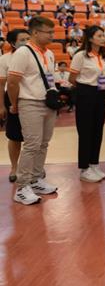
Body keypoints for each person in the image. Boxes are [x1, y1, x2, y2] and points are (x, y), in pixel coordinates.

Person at [7, 16, 58, 205]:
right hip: (29, 103)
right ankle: (22, 187)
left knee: (43, 144)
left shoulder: (50, 53)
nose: (52, 35)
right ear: (35, 32)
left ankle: (36, 179)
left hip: (47, 104)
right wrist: (15, 104)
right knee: (31, 145)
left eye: (53, 31)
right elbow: (12, 82)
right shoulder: (23, 53)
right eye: (49, 32)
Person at [69, 26, 105, 183]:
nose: (102, 38)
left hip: (100, 93)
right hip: (86, 93)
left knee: (97, 130)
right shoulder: (81, 56)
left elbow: (102, 77)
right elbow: (72, 78)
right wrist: (85, 88)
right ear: (91, 38)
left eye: (103, 35)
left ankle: (94, 164)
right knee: (85, 131)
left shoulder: (101, 56)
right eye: (99, 35)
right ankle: (84, 168)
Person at [0, 28, 29, 182]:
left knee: (34, 137)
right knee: (15, 136)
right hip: (12, 98)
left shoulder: (37, 56)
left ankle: (33, 167)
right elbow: (1, 85)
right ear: (12, 43)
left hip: (32, 98)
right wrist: (2, 106)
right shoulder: (5, 59)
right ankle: (14, 167)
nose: (26, 43)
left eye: (27, 39)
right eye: (22, 40)